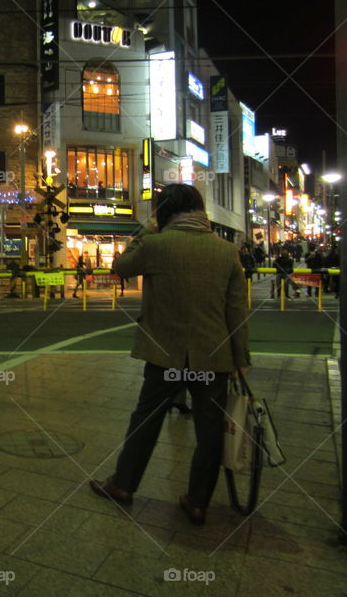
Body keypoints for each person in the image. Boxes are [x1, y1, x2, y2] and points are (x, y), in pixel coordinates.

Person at [89, 184, 250, 525]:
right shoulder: (225, 251)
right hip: (214, 357)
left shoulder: (156, 245)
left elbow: (120, 266)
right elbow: (236, 310)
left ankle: (123, 484)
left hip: (164, 355)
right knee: (209, 433)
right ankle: (197, 502)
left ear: (164, 211)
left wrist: (144, 233)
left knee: (145, 421)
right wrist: (240, 360)